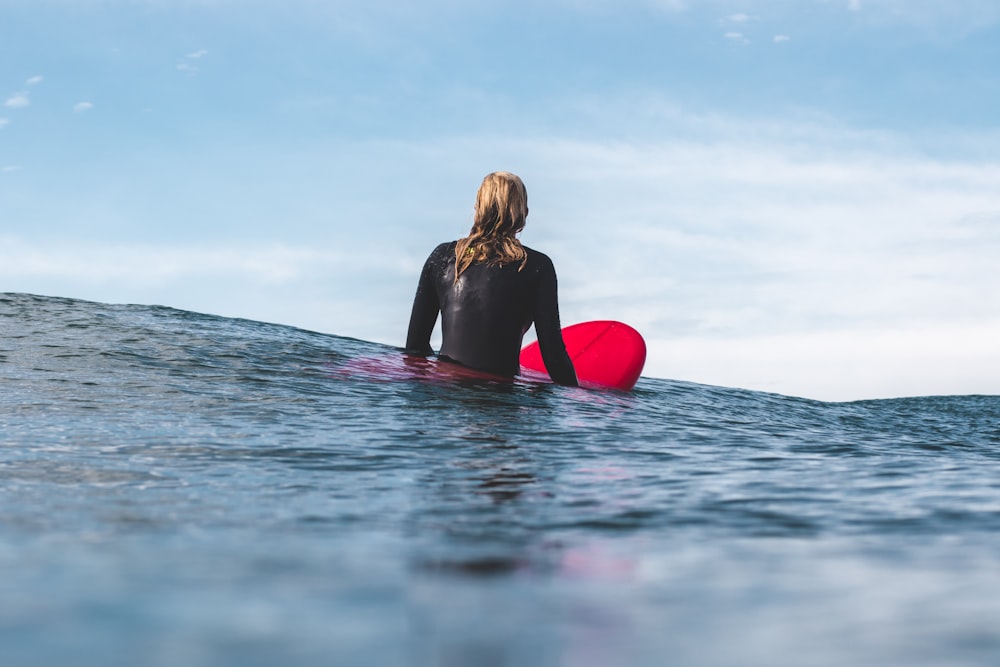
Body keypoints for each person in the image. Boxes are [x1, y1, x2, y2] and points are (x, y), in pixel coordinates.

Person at [405, 172, 578, 386]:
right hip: (501, 398)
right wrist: (582, 399)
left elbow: (415, 349)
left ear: (477, 208)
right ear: (523, 213)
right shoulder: (537, 266)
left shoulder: (442, 257)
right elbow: (553, 357)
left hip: (445, 396)